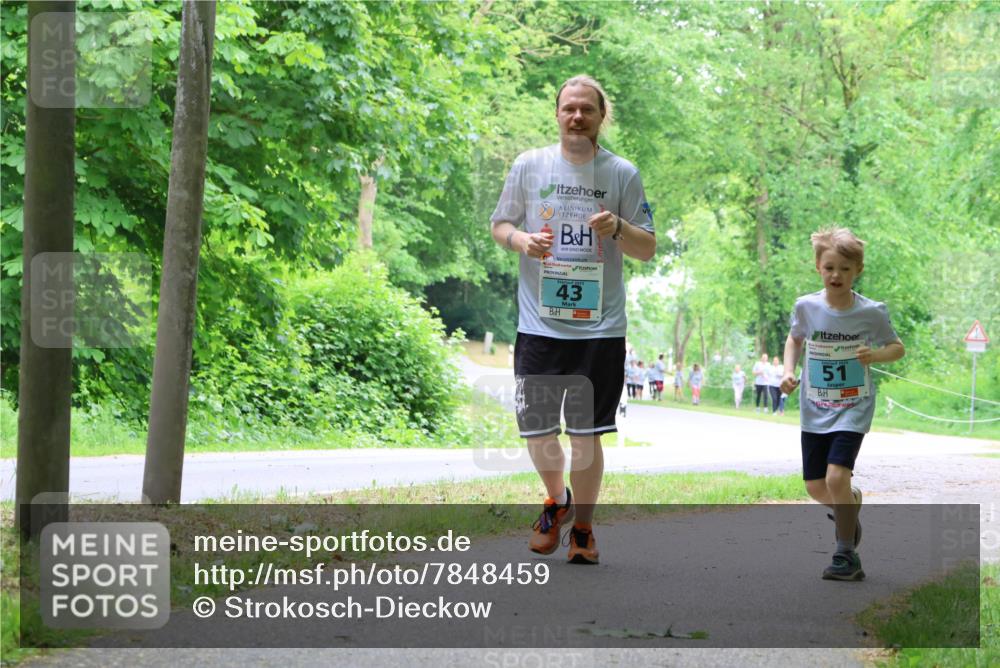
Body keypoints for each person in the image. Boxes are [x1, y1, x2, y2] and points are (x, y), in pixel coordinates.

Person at [490, 74, 656, 565]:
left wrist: (618, 226)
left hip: (599, 328)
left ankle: (583, 529)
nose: (577, 116)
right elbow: (500, 225)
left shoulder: (622, 173)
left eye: (587, 108)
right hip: (539, 324)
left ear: (602, 116)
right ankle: (556, 499)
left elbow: (647, 247)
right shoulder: (529, 165)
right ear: (558, 114)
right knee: (537, 430)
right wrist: (521, 240)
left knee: (586, 436)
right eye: (569, 108)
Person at [780, 227, 904, 581]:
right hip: (815, 407)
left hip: (853, 406)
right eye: (830, 268)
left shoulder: (871, 312)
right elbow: (794, 339)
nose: (836, 275)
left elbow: (897, 348)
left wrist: (874, 355)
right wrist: (788, 371)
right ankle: (848, 506)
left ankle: (845, 554)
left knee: (837, 477)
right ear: (818, 267)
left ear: (857, 271)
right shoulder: (806, 306)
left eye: (845, 269)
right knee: (815, 486)